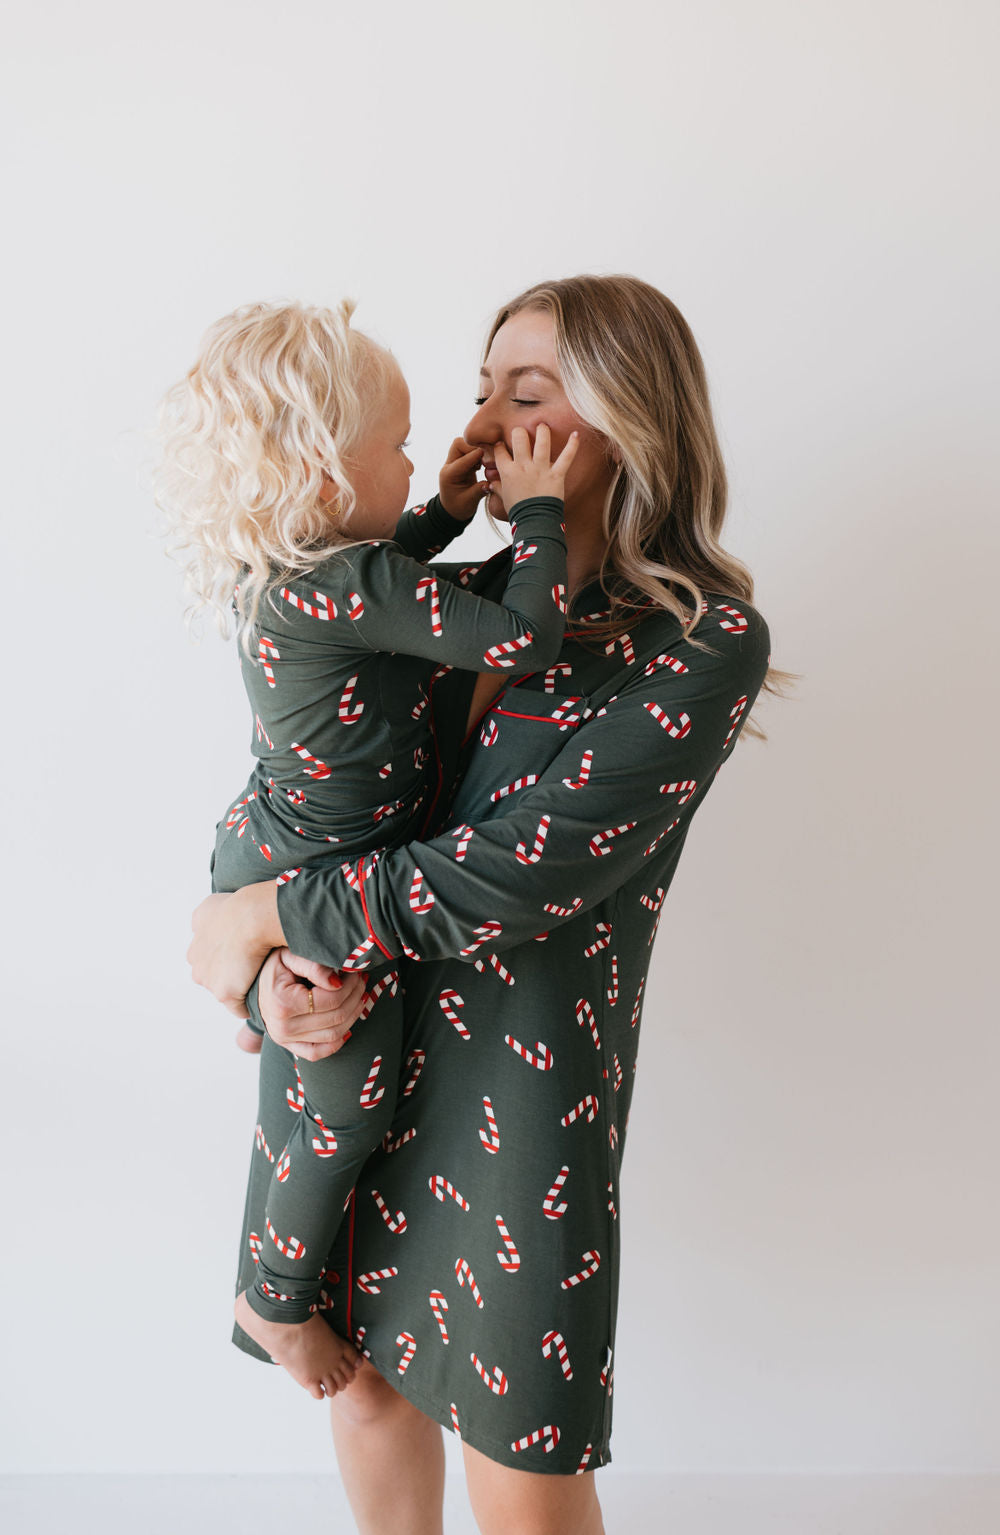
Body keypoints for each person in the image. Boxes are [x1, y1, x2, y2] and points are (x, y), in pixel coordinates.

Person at [189, 275, 777, 1535]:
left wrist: (269, 913)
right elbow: (304, 781)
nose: (486, 423)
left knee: (523, 1457)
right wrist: (264, 970)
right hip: (355, 1043)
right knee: (367, 1395)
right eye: (480, 393)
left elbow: (519, 870)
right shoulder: (445, 591)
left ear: (630, 419)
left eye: (530, 394)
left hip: (517, 1096)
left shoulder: (699, 639)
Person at [158, 299, 577, 1400]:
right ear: (320, 469)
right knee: (349, 1092)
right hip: (310, 873)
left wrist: (439, 509)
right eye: (395, 443)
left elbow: (389, 573)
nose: (417, 451)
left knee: (310, 1062)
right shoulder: (349, 583)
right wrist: (535, 518)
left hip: (265, 846)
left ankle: (279, 1267)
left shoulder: (302, 569)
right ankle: (275, 1295)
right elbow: (523, 636)